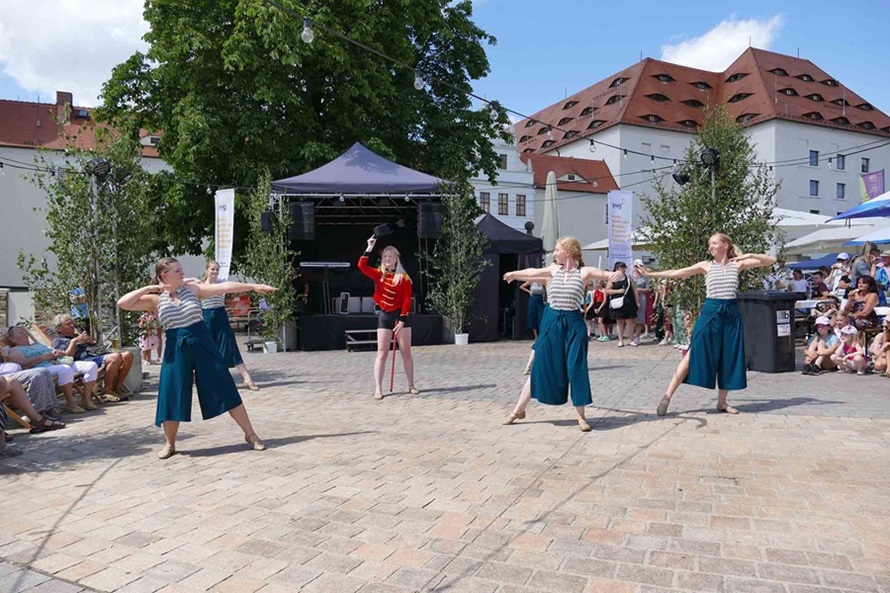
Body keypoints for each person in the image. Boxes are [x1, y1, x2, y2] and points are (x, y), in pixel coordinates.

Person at [117, 257, 275, 459]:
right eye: (177, 270)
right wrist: (150, 288)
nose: (182, 273)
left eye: (181, 269)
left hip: (202, 343)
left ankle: (251, 435)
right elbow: (123, 303)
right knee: (171, 392)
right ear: (164, 275)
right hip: (176, 349)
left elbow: (224, 287)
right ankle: (170, 443)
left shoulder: (192, 289)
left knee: (224, 385)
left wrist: (253, 287)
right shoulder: (156, 299)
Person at [636, 233, 776, 416]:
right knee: (691, 355)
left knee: (729, 357)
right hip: (711, 312)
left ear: (725, 245)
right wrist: (650, 274)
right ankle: (667, 397)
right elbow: (678, 272)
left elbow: (771, 260)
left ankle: (722, 402)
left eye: (714, 243)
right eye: (709, 244)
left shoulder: (737, 264)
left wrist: (748, 255)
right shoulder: (706, 265)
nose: (710, 247)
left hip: (731, 314)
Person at [501, 237, 618, 432]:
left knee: (575, 367)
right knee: (539, 365)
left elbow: (605, 274)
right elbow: (532, 272)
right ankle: (518, 410)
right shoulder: (554, 270)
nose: (554, 253)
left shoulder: (584, 272)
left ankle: (581, 417)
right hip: (552, 322)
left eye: (557, 250)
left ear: (568, 252)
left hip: (573, 324)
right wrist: (515, 273)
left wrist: (614, 274)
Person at [359, 236, 418, 400]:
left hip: (401, 316)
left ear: (396, 259)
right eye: (385, 256)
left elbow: (407, 299)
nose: (387, 259)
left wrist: (403, 319)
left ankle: (411, 385)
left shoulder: (404, 278)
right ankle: (378, 388)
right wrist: (369, 247)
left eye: (390, 256)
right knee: (382, 353)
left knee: (406, 352)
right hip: (385, 315)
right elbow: (361, 266)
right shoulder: (378, 274)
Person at [4, 325, 99, 413]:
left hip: (57, 363)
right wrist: (45, 357)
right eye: (21, 333)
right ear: (12, 339)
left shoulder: (37, 345)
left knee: (91, 365)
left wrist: (57, 353)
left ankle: (86, 400)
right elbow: (22, 365)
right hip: (42, 369)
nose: (25, 334)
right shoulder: (15, 350)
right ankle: (70, 402)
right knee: (65, 369)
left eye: (25, 332)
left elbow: (54, 352)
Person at [199, 261, 260, 391]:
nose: (215, 272)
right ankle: (213, 380)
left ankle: (247, 378)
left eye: (217, 269)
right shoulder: (201, 285)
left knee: (230, 344)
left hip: (221, 316)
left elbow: (234, 287)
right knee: (208, 349)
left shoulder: (222, 285)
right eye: (212, 269)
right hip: (207, 318)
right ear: (207, 270)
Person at [52, 314, 135, 402]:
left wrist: (90, 342)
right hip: (83, 361)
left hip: (94, 355)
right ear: (59, 328)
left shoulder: (77, 336)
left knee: (128, 355)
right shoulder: (58, 341)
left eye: (72, 323)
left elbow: (95, 347)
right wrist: (74, 342)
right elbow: (66, 357)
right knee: (115, 357)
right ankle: (107, 391)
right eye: (68, 324)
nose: (72, 325)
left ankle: (118, 387)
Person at [604, 262, 637, 347]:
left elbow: (635, 290)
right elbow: (607, 290)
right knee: (619, 321)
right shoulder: (612, 279)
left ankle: (631, 340)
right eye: (621, 268)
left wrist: (637, 301)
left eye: (624, 268)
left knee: (630, 321)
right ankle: (620, 340)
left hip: (629, 302)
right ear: (616, 269)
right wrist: (617, 291)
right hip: (617, 303)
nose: (623, 269)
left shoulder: (628, 278)